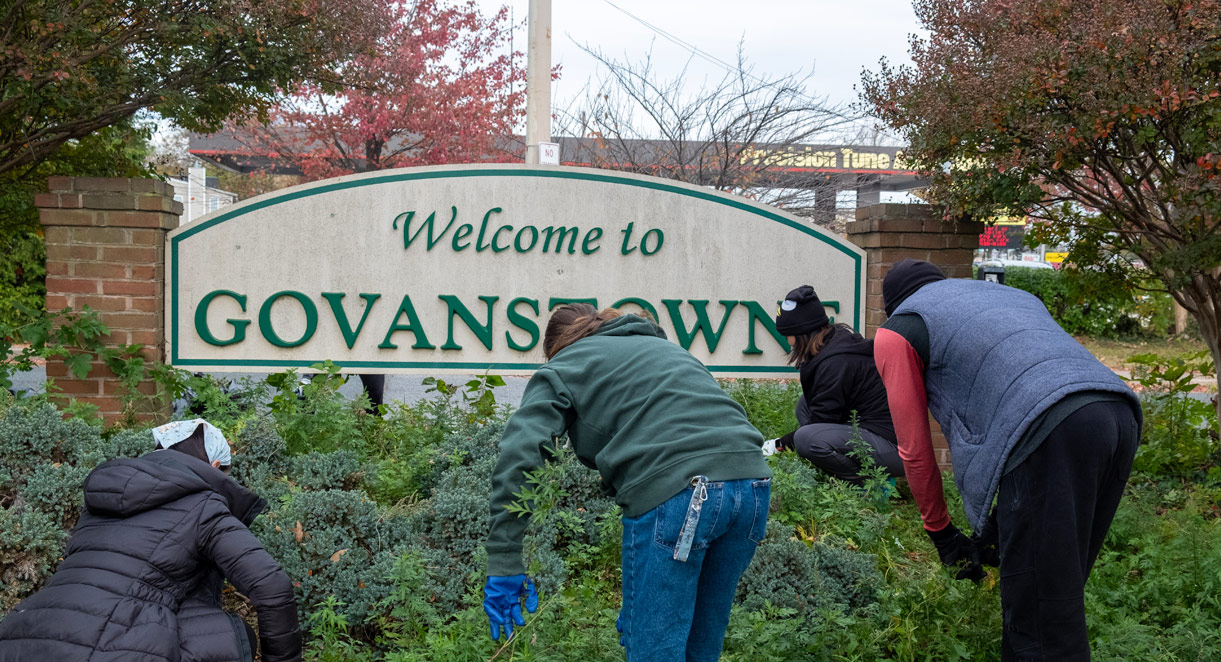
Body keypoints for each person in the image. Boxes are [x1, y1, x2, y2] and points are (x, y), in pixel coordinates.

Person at [873, 258, 1141, 661]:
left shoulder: (899, 330)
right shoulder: (1010, 296)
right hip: (1117, 413)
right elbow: (1019, 379)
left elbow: (913, 448)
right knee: (1046, 598)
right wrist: (998, 527)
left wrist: (942, 533)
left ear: (893, 305)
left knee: (1046, 626)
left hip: (1049, 424)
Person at [482, 304, 772, 662]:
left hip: (679, 491)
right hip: (752, 484)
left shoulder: (565, 365)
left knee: (655, 653)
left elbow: (521, 453)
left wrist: (504, 558)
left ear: (556, 347)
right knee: (701, 648)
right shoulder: (664, 349)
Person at [0, 419, 302, 662]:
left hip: (23, 630)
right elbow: (271, 585)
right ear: (213, 468)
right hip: (113, 641)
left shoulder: (100, 500)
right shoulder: (204, 506)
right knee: (230, 637)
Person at [765, 285, 903, 484]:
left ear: (802, 332)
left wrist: (779, 444)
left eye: (789, 334)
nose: (789, 342)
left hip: (892, 447)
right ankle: (833, 465)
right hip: (869, 431)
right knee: (805, 405)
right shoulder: (833, 343)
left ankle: (859, 485)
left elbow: (822, 420)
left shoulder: (836, 362)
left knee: (807, 439)